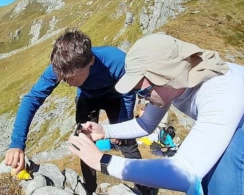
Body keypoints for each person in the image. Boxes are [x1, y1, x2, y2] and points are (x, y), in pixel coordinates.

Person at [68, 33, 244, 195]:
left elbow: (185, 172)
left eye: (143, 92)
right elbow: (146, 124)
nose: (142, 98)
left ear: (166, 76)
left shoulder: (222, 92)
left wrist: (103, 161)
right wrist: (105, 131)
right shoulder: (176, 82)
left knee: (222, 168)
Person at [5, 28, 149, 194]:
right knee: (84, 142)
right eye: (64, 78)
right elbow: (32, 99)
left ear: (91, 61)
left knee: (127, 142)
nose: (68, 83)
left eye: (73, 77)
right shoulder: (60, 66)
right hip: (87, 99)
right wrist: (17, 144)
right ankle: (89, 188)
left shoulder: (117, 60)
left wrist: (123, 123)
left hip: (116, 97)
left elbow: (129, 93)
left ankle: (144, 188)